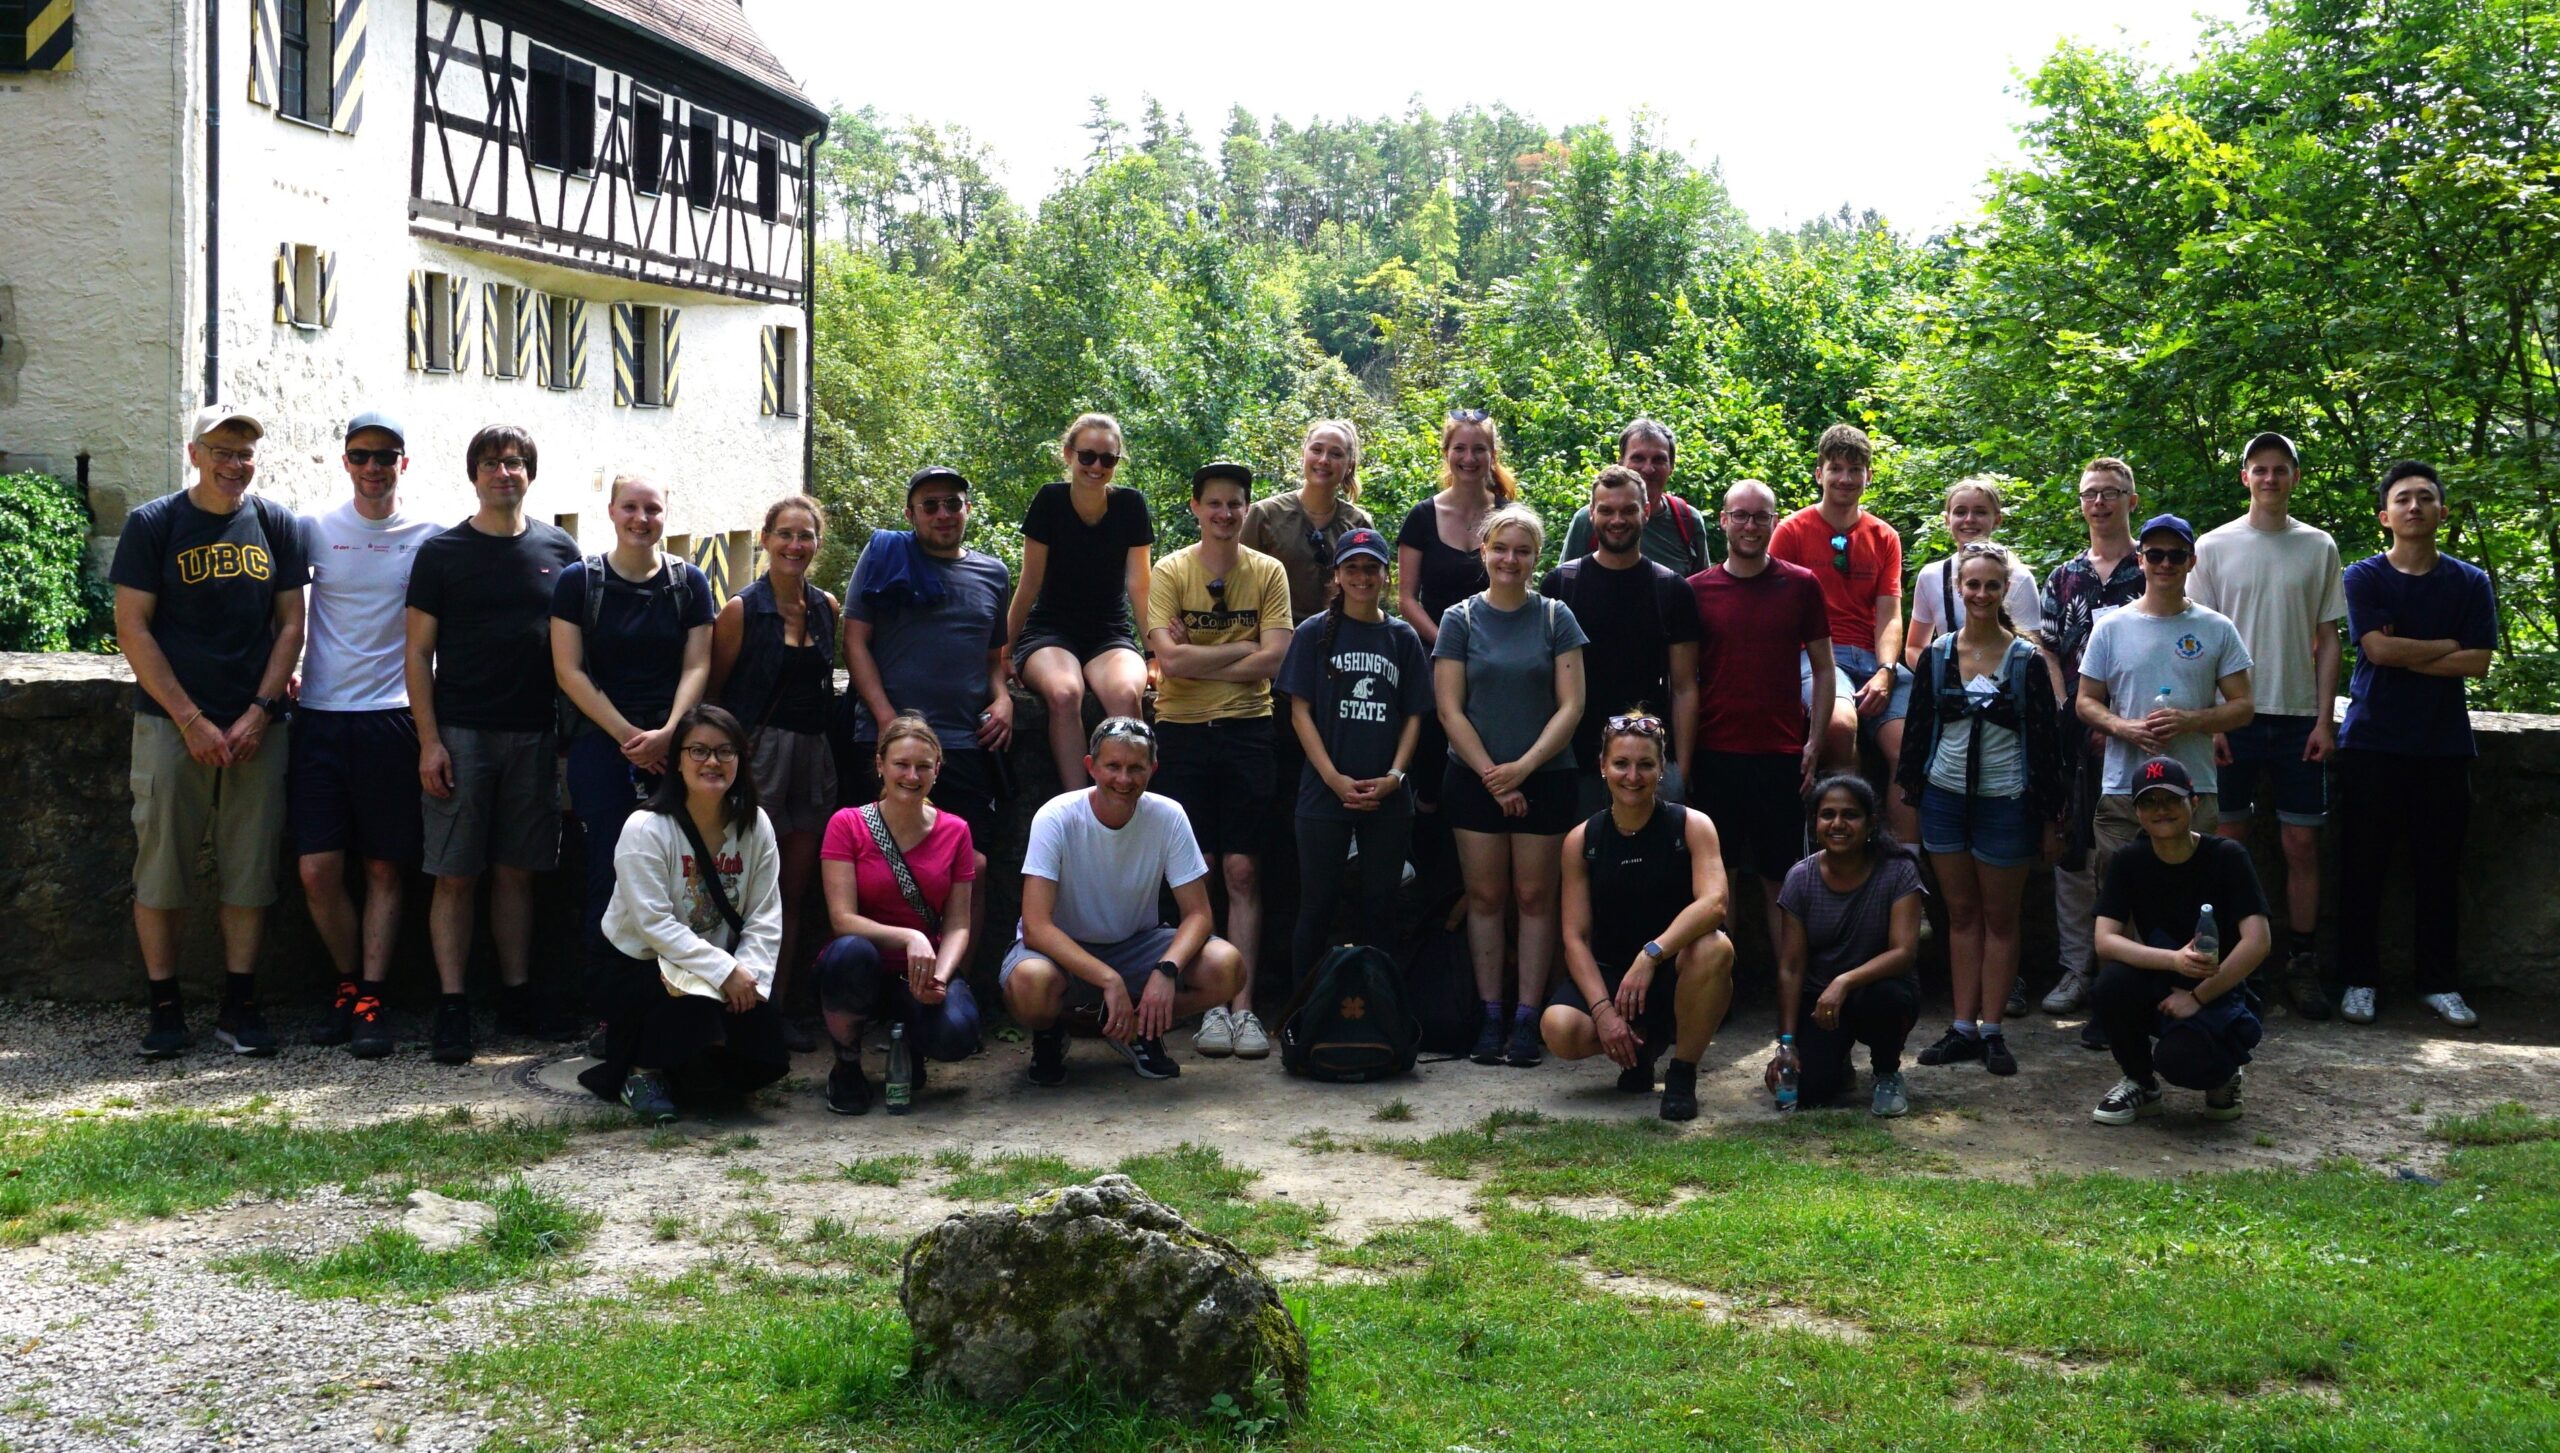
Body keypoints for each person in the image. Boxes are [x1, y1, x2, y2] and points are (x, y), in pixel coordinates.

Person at [113, 404, 309, 1059]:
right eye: (222, 450)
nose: (235, 464)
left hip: (259, 724)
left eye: (246, 452)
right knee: (161, 869)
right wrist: (190, 719)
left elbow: (290, 624)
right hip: (172, 724)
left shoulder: (275, 524)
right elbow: (133, 629)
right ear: (194, 453)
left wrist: (259, 709)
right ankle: (164, 1006)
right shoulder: (154, 523)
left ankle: (239, 1003)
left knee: (250, 871)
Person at [404, 424, 582, 1065]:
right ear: (473, 474)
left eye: (514, 462)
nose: (503, 472)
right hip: (462, 733)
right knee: (454, 873)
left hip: (535, 736)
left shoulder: (560, 550)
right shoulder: (442, 552)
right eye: (490, 463)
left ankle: (516, 994)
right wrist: (430, 743)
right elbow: (417, 653)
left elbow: (574, 651)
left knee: (518, 873)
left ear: (530, 472)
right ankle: (453, 1005)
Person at [292, 410, 442, 1059]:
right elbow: (283, 615)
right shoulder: (315, 531)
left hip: (394, 715)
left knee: (385, 865)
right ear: (345, 461)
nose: (374, 467)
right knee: (318, 869)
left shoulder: (429, 537)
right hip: (321, 714)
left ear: (402, 463)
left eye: (386, 456)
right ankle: (349, 982)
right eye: (362, 455)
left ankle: (370, 996)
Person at [2189, 432, 2347, 1020]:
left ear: (2295, 478)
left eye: (2281, 470)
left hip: (2298, 717)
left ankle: (2300, 962)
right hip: (2234, 717)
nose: (2271, 479)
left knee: (2301, 842)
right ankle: (2227, 963)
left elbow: (2328, 638)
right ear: (2246, 478)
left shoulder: (2317, 546)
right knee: (2226, 843)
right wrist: (2213, 722)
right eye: (2261, 469)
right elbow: (2199, 636)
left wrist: (2324, 719)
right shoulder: (2214, 546)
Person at [2335, 461, 2497, 1028]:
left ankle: (2439, 983)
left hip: (2443, 747)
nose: (2414, 507)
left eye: (2425, 498)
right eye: (2403, 499)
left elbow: (2477, 662)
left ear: (2441, 512)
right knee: (2362, 866)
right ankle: (2358, 980)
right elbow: (2377, 652)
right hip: (2372, 743)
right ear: (2385, 517)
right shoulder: (2364, 577)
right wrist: (2448, 644)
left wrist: (2415, 647)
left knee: (2438, 869)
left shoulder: (2470, 582)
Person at [551, 474, 715, 1025]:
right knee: (610, 870)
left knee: (681, 870)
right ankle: (610, 1010)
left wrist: (669, 733)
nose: (641, 519)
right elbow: (568, 670)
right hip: (604, 747)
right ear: (611, 511)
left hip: (676, 747)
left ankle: (679, 997)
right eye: (630, 508)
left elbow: (698, 664)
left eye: (652, 509)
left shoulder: (688, 582)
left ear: (666, 514)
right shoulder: (580, 582)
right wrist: (628, 737)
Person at [1000, 717, 1244, 1085]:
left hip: (1135, 944)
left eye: (1136, 768)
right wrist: (1108, 979)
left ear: (1153, 770)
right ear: (1091, 766)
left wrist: (1167, 970)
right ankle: (1052, 1031)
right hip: (1062, 949)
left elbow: (1198, 914)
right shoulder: (1056, 817)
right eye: (1112, 766)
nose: (1124, 780)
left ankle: (1140, 1027)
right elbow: (1036, 926)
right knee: (1031, 987)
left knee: (1227, 967)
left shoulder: (1168, 816)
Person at [1899, 543, 2067, 1077]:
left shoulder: (2026, 660)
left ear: (2005, 591)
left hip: (2006, 801)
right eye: (1972, 584)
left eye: (1991, 585)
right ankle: (1962, 1025)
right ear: (1958, 588)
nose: (1980, 594)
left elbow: (2045, 743)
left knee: (2000, 918)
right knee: (1961, 915)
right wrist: (1913, 796)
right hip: (1945, 798)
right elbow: (1918, 729)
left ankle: (1992, 1029)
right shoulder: (1938, 654)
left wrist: (2048, 816)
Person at [1146, 460, 1293, 1058]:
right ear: (1196, 508)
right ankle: (1209, 1004)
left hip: (1247, 728)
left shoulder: (1268, 573)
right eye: (1215, 503)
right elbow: (1169, 664)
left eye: (1236, 504)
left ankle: (1244, 1006)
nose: (1226, 514)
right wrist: (1244, 646)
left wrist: (1204, 651)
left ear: (1246, 510)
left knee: (1243, 871)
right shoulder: (1169, 570)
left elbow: (1276, 659)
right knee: (1199, 869)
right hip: (1181, 729)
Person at [1435, 502, 1589, 1070]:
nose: (1510, 559)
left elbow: (1572, 706)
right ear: (1484, 552)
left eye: (1522, 551)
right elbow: (1449, 710)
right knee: (1485, 898)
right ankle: (1490, 1011)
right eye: (1501, 548)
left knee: (1533, 898)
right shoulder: (1460, 619)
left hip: (1545, 778)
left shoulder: (1556, 618)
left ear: (1535, 557)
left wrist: (1521, 770)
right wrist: (1494, 779)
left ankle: (1528, 1015)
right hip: (1473, 780)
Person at [578, 705, 788, 1122]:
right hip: (637, 966)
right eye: (698, 751)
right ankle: (641, 1071)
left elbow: (766, 914)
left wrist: (749, 976)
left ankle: (689, 1066)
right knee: (690, 1007)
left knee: (764, 1050)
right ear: (676, 761)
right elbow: (654, 924)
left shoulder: (756, 824)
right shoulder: (646, 828)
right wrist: (723, 972)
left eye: (725, 751)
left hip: (715, 963)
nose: (712, 761)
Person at [1540, 712, 1737, 1121]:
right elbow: (1574, 937)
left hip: (1671, 968)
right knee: (1558, 1028)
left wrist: (1651, 955)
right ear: (1602, 767)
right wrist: (1603, 1013)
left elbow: (1715, 903)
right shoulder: (1582, 839)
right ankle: (1640, 1046)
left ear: (1662, 769)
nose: (1633, 776)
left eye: (1645, 764)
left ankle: (1682, 1071)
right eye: (1621, 764)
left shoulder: (1692, 826)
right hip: (1614, 975)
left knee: (1716, 948)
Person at [1687, 480, 1837, 969]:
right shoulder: (1697, 590)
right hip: (1716, 753)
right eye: (1742, 516)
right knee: (1717, 880)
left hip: (1780, 755)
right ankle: (1717, 990)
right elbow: (1683, 680)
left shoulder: (1800, 584)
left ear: (1775, 522)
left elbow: (1824, 666)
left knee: (1784, 881)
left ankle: (1790, 990)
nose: (1751, 526)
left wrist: (1813, 741)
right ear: (1724, 520)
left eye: (1761, 516)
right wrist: (1684, 762)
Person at [711, 494, 841, 1050]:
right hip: (758, 758)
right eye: (785, 534)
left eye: (805, 535)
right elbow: (716, 695)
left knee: (793, 889)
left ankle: (776, 1007)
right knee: (742, 887)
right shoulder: (742, 610)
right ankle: (727, 1005)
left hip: (814, 759)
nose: (795, 545)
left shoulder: (826, 607)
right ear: (765, 539)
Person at [1277, 528, 1431, 982]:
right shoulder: (1313, 634)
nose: (1362, 577)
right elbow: (1299, 712)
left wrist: (1396, 775)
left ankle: (1382, 1016)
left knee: (1382, 908)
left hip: (1387, 795)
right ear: (1337, 576)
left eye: (1371, 568)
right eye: (1352, 568)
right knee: (1317, 907)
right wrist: (1332, 778)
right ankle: (1302, 1018)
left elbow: (1414, 716)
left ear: (1386, 575)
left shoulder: (1401, 638)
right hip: (1325, 792)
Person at [811, 715, 983, 1114]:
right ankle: (847, 1064)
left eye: (923, 766)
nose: (911, 774)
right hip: (860, 962)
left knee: (957, 1036)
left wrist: (940, 975)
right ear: (880, 765)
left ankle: (911, 1047)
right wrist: (910, 937)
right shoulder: (848, 824)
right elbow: (842, 919)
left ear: (937, 770)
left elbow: (959, 923)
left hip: (921, 970)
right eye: (901, 764)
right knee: (851, 952)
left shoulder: (956, 831)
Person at [2089, 756, 2270, 1125]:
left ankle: (2224, 1075)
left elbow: (2258, 941)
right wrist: (2172, 961)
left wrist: (2198, 995)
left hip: (2220, 986)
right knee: (2111, 984)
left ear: (2194, 802)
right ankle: (2140, 1082)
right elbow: (2105, 941)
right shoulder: (2129, 860)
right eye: (2149, 802)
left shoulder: (2227, 857)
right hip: (2163, 973)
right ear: (2136, 811)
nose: (2161, 811)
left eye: (2171, 800)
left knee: (2181, 1062)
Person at [2035, 458, 2150, 1018]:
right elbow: (2051, 651)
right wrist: (2071, 713)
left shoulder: (2154, 566)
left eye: (2111, 492)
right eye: (2090, 494)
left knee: (2134, 855)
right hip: (2077, 735)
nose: (2099, 503)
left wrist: (2121, 722)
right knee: (2073, 851)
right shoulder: (2064, 577)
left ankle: (2132, 973)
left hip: (2140, 733)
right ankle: (2076, 969)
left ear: (2132, 500)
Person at [2075, 514, 2255, 867]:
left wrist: (2190, 720)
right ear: (2140, 560)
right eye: (2156, 555)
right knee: (2117, 899)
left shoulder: (2216, 627)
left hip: (2194, 787)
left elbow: (2244, 706)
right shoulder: (2111, 627)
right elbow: (2085, 701)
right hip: (2123, 787)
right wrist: (2124, 727)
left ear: (2192, 561)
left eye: (2177, 555)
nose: (2166, 563)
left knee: (2193, 897)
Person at [842, 466, 1014, 835]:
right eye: (930, 505)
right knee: (880, 861)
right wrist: (888, 722)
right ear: (910, 514)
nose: (943, 514)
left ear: (967, 508)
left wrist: (1002, 699)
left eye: (952, 504)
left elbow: (992, 658)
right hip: (887, 740)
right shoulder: (884, 555)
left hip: (962, 740)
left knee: (971, 862)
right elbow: (854, 643)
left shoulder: (994, 574)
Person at [1768, 424, 1915, 838]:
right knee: (1838, 725)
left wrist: (1887, 670)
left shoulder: (1883, 536)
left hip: (1872, 659)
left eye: (1856, 469)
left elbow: (1889, 613)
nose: (1846, 478)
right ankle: (1847, 842)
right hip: (1815, 655)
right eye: (1836, 468)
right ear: (1819, 473)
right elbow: (1777, 609)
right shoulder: (1792, 532)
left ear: (1868, 475)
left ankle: (1903, 865)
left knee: (1909, 749)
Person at [1540, 465, 1701, 814]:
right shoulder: (1561, 585)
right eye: (1607, 510)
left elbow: (1685, 687)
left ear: (1645, 511)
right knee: (1577, 862)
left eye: (1628, 510)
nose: (1618, 519)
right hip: (1574, 761)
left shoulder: (1672, 590)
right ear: (1591, 513)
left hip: (1650, 761)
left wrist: (1681, 769)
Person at [1008, 415, 1152, 790]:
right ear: (1069, 454)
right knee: (1064, 692)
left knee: (1125, 694)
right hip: (1050, 632)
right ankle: (1080, 803)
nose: (1096, 467)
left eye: (1108, 459)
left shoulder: (1130, 506)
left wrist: (1154, 653)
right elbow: (1030, 583)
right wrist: (1004, 650)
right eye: (1088, 456)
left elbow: (1140, 586)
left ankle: (1129, 800)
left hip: (1109, 633)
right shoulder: (1050, 501)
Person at [1772, 775, 1924, 1117]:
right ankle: (1836, 1060)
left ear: (1870, 822)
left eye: (1850, 815)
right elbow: (1791, 967)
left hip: (1876, 990)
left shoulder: (1898, 870)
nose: (1838, 824)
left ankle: (1887, 1071)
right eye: (1828, 815)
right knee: (1810, 1093)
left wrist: (1844, 982)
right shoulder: (1800, 877)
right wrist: (1786, 1045)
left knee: (1890, 997)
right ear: (1815, 823)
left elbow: (1904, 953)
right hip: (1821, 1002)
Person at [1394, 410, 1507, 859]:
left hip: (1496, 655)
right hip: (1434, 653)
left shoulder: (1506, 514)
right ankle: (1427, 859)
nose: (1469, 457)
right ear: (1446, 453)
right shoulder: (1423, 517)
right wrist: (1448, 644)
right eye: (1459, 448)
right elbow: (1406, 598)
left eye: (1479, 448)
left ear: (1491, 454)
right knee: (1432, 757)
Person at [1240, 420, 1376, 623]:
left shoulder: (1358, 523)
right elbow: (1239, 584)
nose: (1323, 460)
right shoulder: (1264, 514)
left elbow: (1368, 592)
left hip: (1339, 640)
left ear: (1350, 465)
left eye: (1336, 454)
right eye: (1317, 449)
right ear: (1303, 453)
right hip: (1274, 638)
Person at [1902, 477, 2044, 671]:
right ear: (1947, 519)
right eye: (1960, 512)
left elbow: (2032, 653)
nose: (1969, 519)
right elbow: (1914, 647)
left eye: (1980, 512)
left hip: (2004, 689)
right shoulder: (1931, 576)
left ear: (1997, 519)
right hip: (1948, 692)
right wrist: (1940, 677)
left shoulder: (2019, 578)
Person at [1558, 418, 1716, 576]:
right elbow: (1564, 585)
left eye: (1659, 460)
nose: (1648, 469)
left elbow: (1701, 592)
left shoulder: (1687, 521)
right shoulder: (1588, 519)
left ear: (1671, 467)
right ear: (1621, 463)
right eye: (1638, 458)